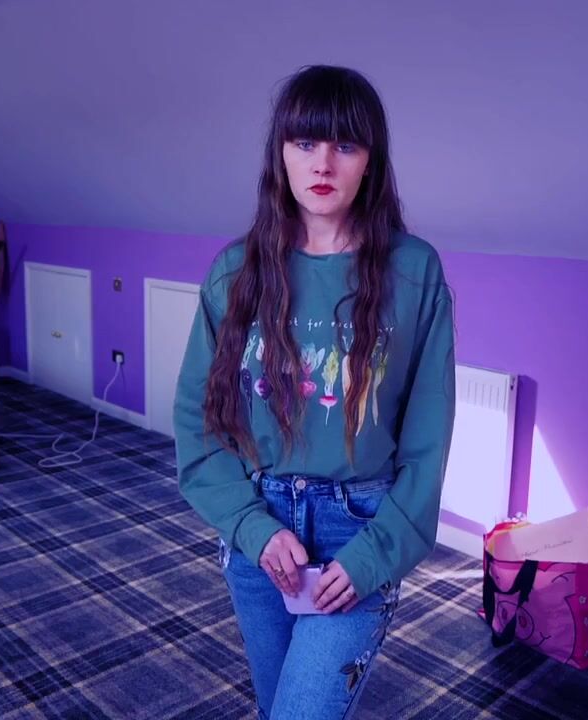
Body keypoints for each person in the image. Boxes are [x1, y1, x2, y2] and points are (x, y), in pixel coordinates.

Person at [174, 64, 456, 720]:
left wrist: (375, 554)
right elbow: (200, 417)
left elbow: (429, 434)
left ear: (370, 161)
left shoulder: (414, 271)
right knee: (278, 705)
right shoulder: (235, 271)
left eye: (344, 144)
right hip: (260, 529)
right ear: (281, 153)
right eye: (305, 142)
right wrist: (250, 527)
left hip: (358, 532)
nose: (323, 162)